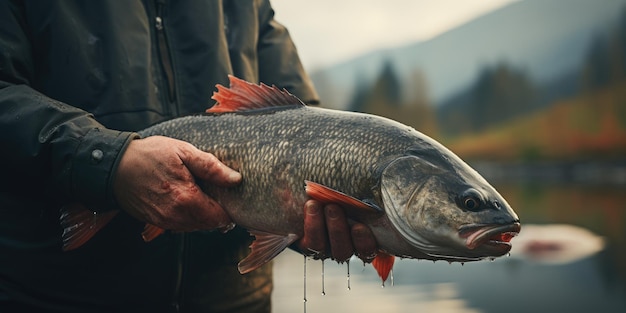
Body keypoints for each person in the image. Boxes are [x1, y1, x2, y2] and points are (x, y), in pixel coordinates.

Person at [0, 1, 378, 312]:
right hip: (56, 297)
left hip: (236, 300)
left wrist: (313, 215)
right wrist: (106, 164)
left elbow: (308, 126)